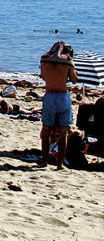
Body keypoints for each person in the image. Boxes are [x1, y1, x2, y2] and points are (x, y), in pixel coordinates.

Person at [39, 41, 79, 169]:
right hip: (62, 96)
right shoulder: (68, 62)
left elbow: (43, 76)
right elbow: (74, 80)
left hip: (50, 95)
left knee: (46, 130)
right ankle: (59, 164)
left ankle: (44, 161)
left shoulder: (45, 61)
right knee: (63, 132)